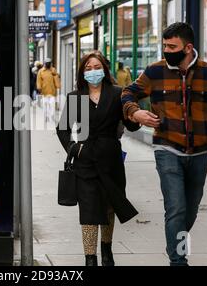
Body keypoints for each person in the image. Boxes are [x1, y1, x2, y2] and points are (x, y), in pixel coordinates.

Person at [122, 22, 207, 266]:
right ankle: (178, 260)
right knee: (176, 207)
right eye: (164, 45)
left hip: (200, 152)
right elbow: (128, 93)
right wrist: (136, 113)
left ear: (188, 47)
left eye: (172, 46)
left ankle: (175, 243)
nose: (167, 50)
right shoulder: (155, 72)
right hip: (167, 148)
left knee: (190, 209)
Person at [57, 51, 140, 266]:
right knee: (88, 209)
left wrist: (136, 116)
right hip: (85, 162)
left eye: (96, 67)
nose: (92, 71)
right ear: (82, 72)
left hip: (111, 160)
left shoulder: (117, 94)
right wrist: (75, 149)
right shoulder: (75, 97)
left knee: (109, 206)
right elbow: (63, 129)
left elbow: (130, 124)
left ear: (104, 70)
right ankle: (90, 258)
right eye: (88, 68)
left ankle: (107, 251)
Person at [37, 58, 60, 122]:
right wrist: (39, 88)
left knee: (52, 104)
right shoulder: (41, 71)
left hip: (52, 91)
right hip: (44, 91)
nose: (48, 64)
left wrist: (55, 74)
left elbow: (56, 79)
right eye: (47, 63)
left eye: (49, 63)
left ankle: (52, 116)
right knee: (45, 104)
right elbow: (38, 80)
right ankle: (46, 116)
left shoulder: (53, 70)